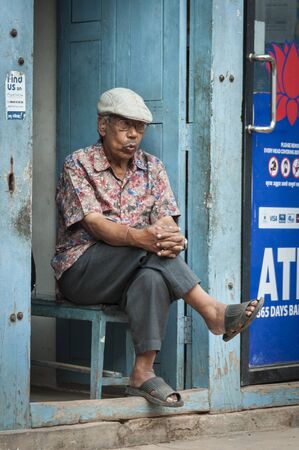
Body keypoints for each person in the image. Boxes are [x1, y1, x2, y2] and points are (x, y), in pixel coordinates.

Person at [51, 87, 263, 408]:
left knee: (152, 275)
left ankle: (142, 372)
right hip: (81, 272)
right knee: (147, 248)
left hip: (133, 269)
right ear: (103, 125)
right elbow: (95, 225)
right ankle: (211, 311)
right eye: (125, 126)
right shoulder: (78, 164)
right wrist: (146, 238)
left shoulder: (152, 167)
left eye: (140, 128)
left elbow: (165, 224)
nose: (133, 135)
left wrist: (173, 237)